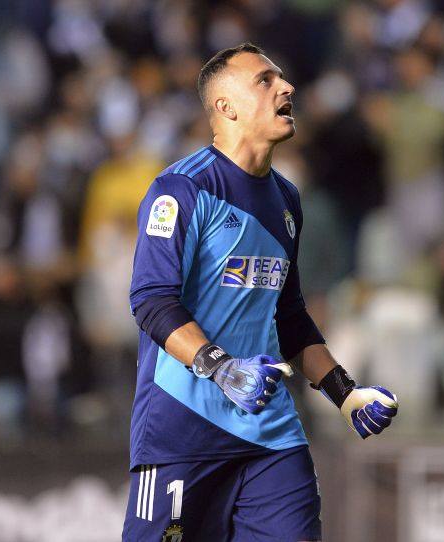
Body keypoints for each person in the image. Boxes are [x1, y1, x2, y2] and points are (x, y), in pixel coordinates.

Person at [122, 43, 398, 542]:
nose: (286, 87)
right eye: (265, 81)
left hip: (271, 437)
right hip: (182, 434)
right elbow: (151, 301)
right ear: (224, 107)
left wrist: (344, 393)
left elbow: (288, 315)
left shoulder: (287, 199)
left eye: (283, 79)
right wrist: (221, 368)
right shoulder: (181, 190)